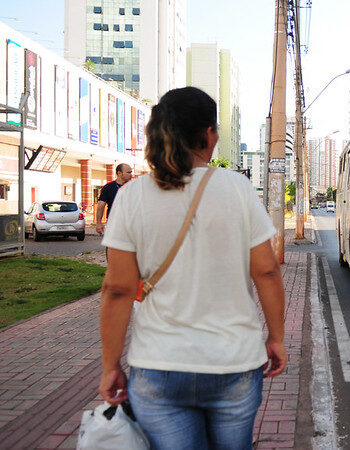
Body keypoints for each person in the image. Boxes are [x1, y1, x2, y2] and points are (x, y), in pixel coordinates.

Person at [98, 87, 287, 450]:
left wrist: (110, 364)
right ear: (208, 135)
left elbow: (118, 289)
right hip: (234, 361)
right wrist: (276, 338)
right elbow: (265, 271)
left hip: (158, 365)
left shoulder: (132, 196)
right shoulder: (238, 188)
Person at [95, 163, 133, 235]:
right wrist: (99, 222)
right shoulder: (108, 187)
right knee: (112, 245)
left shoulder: (134, 187)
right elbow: (101, 205)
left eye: (131, 172)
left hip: (131, 224)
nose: (131, 175)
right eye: (128, 172)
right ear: (119, 173)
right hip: (114, 224)